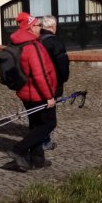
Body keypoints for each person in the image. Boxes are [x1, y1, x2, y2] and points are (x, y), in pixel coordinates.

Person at [7, 12, 58, 171]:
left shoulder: (19, 43)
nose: (40, 28)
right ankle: (18, 149)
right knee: (49, 123)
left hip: (26, 93)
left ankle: (37, 159)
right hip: (38, 93)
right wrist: (49, 96)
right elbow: (39, 74)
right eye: (37, 25)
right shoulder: (32, 46)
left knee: (35, 124)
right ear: (30, 28)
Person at [39, 15, 70, 151]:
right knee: (49, 113)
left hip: (37, 81)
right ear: (53, 27)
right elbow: (62, 65)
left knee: (39, 111)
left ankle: (40, 138)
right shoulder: (55, 42)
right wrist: (63, 79)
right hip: (52, 82)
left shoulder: (36, 40)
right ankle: (45, 141)